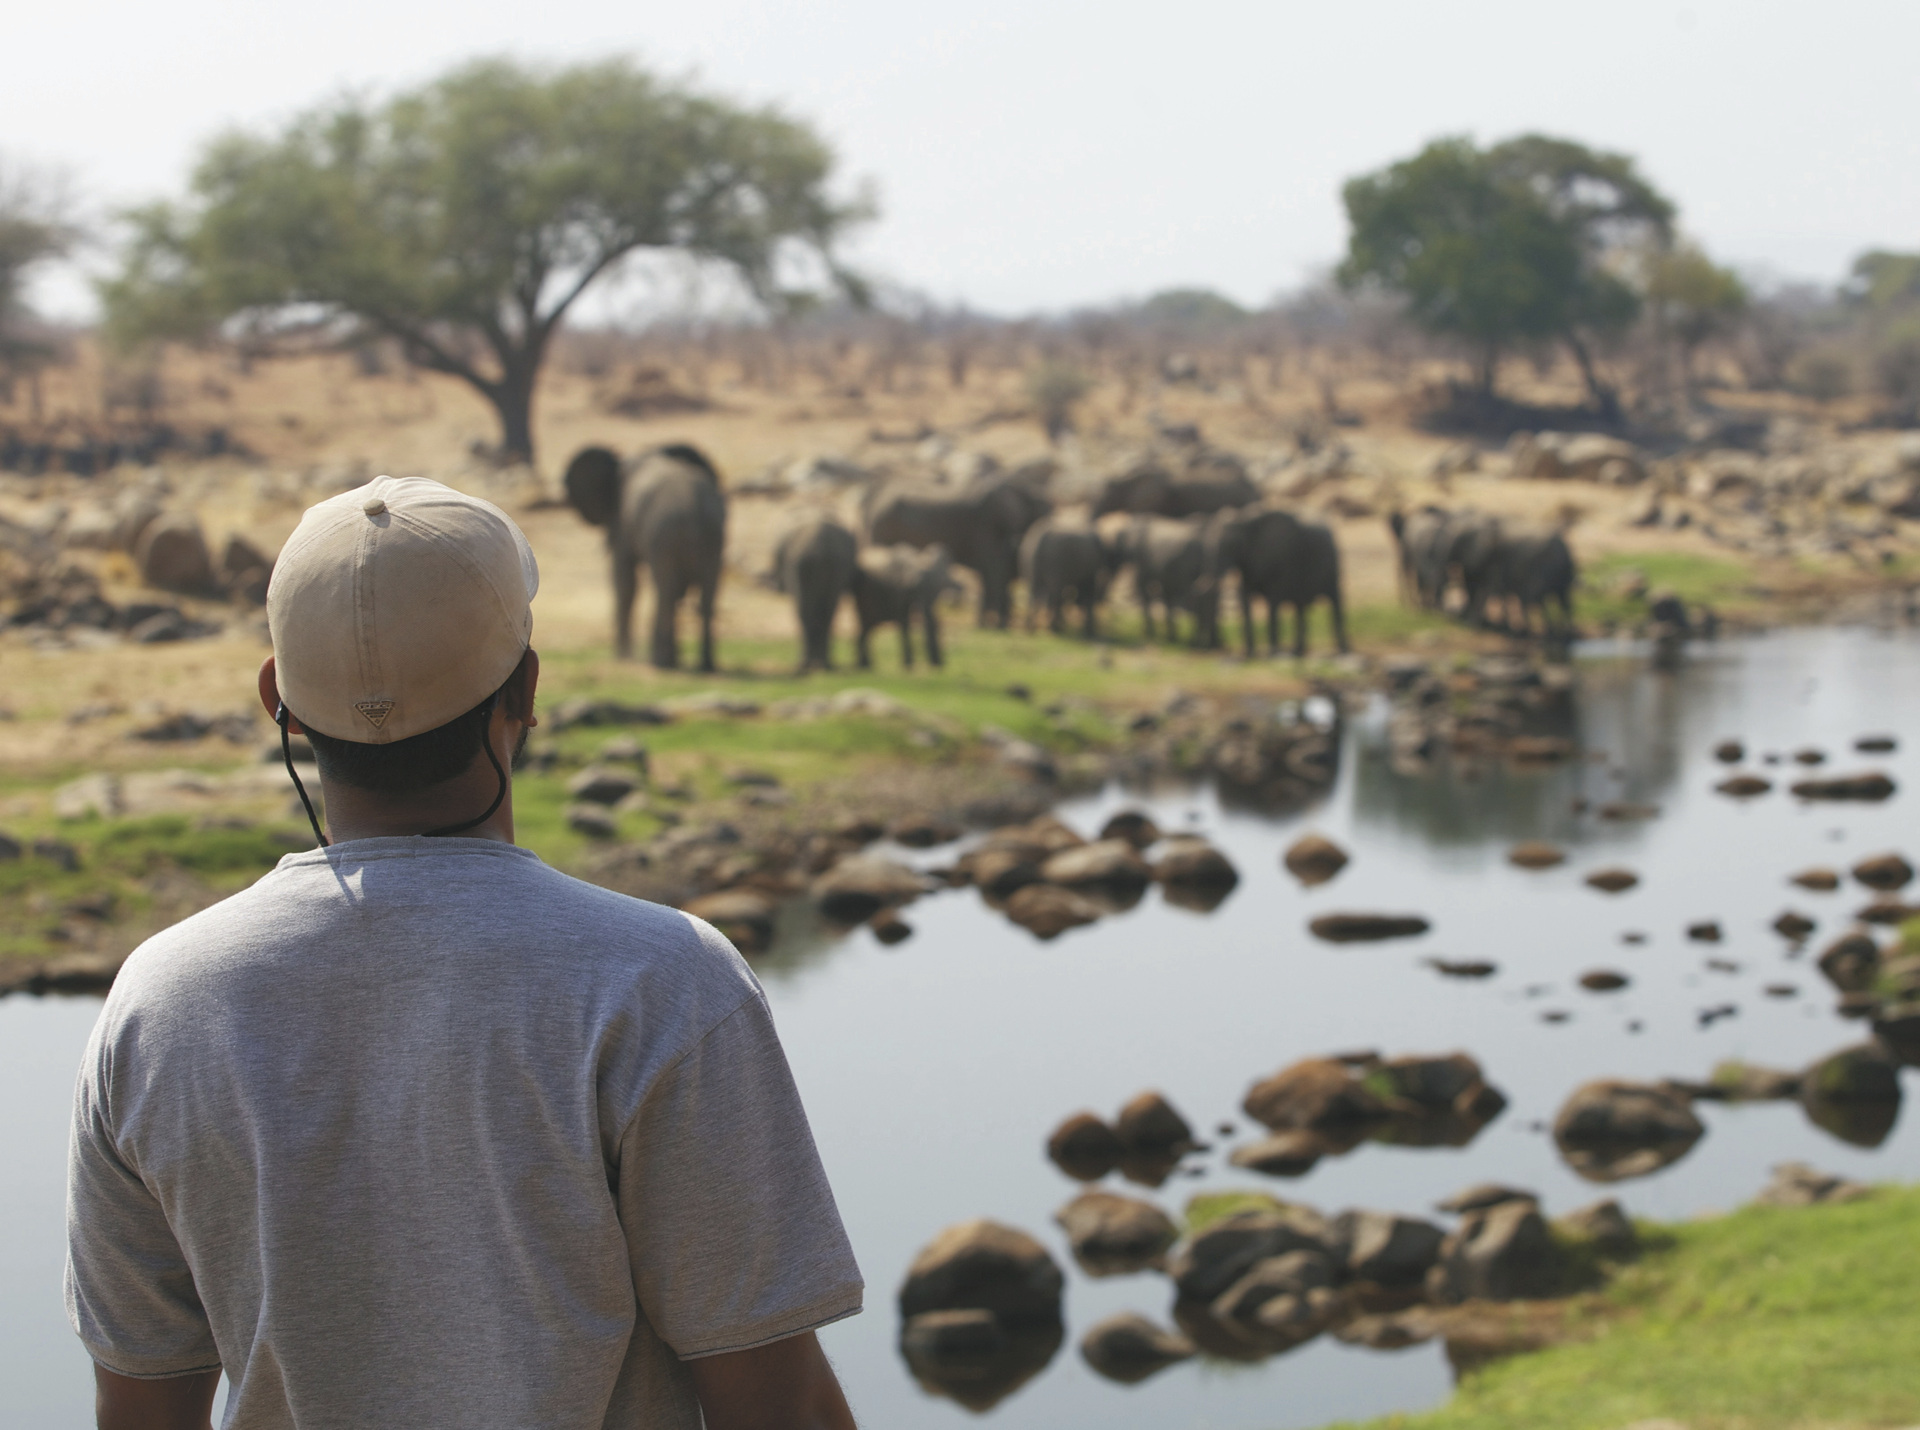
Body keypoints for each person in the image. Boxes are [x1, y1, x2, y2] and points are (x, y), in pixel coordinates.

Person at [66, 477, 862, 1430]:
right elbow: (777, 1408)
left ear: (279, 701)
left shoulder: (158, 1007)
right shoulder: (664, 987)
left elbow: (139, 1407)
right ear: (526, 690)